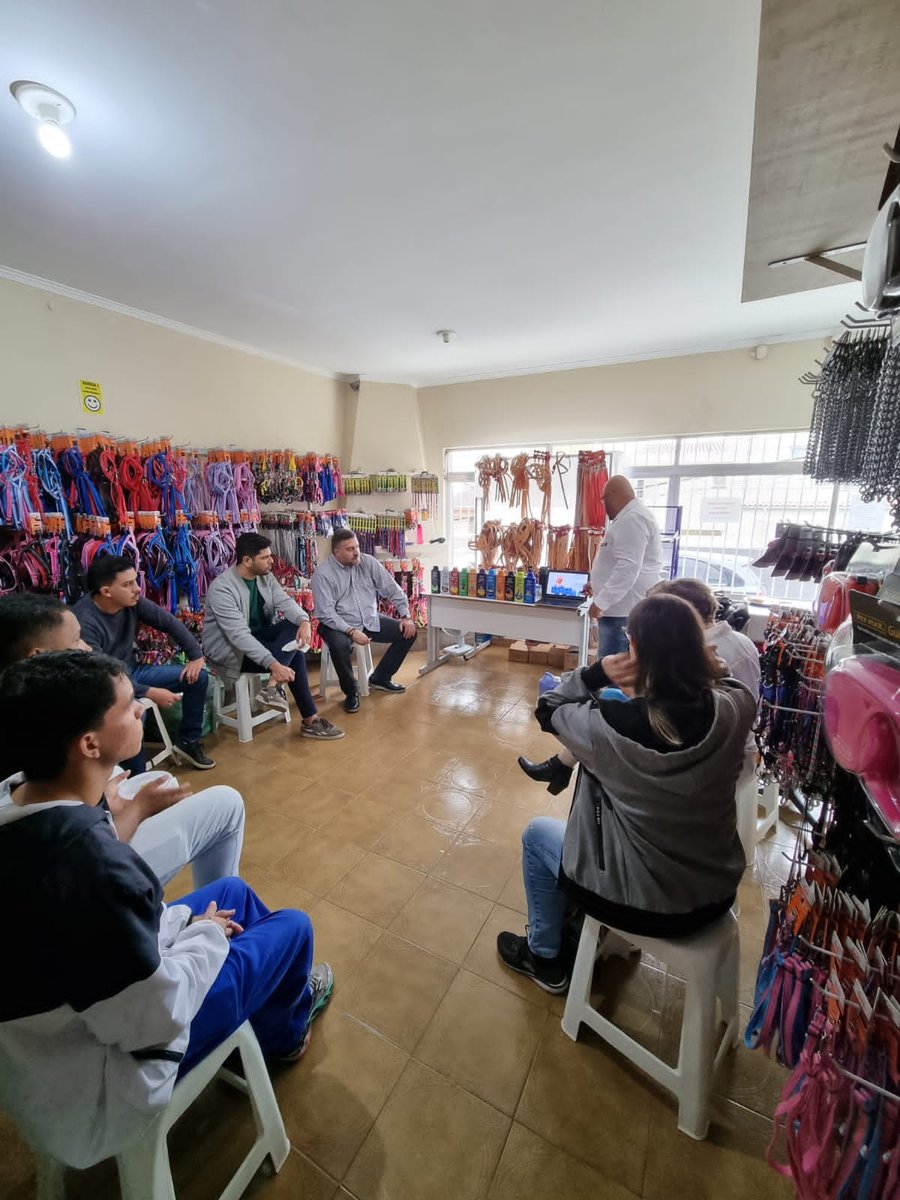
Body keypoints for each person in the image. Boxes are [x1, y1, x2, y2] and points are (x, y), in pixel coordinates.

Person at [0, 651, 333, 1170]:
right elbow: (157, 1017)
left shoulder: (16, 802)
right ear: (89, 744)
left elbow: (110, 948)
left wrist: (186, 924)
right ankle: (285, 1034)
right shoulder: (91, 869)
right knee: (293, 927)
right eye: (127, 706)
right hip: (112, 1079)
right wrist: (204, 937)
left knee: (232, 892)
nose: (140, 709)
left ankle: (270, 1001)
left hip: (59, 1043)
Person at [497, 593, 755, 994]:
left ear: (633, 647)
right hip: (714, 893)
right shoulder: (735, 707)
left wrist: (595, 673)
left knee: (536, 835)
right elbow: (728, 682)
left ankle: (544, 957)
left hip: (639, 903)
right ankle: (573, 928)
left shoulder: (609, 729)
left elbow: (549, 707)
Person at [0, 593, 245, 888]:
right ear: (38, 657)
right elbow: (81, 852)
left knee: (159, 780)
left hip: (81, 828)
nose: (87, 647)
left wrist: (102, 801)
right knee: (226, 803)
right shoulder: (41, 726)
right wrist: (129, 809)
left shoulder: (30, 709)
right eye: (77, 641)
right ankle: (222, 900)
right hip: (87, 868)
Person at [518, 574, 761, 793]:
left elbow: (547, 709)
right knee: (610, 703)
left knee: (605, 715)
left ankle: (563, 768)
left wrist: (598, 672)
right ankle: (561, 766)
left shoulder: (633, 718)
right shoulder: (736, 655)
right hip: (725, 745)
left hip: (720, 763)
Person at [73, 555, 215, 770]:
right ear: (106, 591)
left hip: (134, 671)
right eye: (128, 584)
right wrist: (149, 692)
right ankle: (136, 779)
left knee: (198, 677)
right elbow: (100, 675)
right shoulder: (84, 621)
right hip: (107, 685)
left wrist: (196, 655)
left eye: (135, 581)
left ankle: (188, 741)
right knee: (135, 716)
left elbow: (169, 622)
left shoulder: (132, 602)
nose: (137, 589)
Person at [203, 532, 343, 739]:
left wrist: (304, 621)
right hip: (232, 653)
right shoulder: (222, 589)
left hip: (260, 641)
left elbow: (285, 603)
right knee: (294, 654)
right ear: (247, 560)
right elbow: (239, 636)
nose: (271, 561)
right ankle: (309, 719)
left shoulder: (265, 578)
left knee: (291, 629)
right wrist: (274, 665)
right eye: (265, 557)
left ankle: (273, 687)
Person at [311, 528, 417, 713]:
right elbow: (326, 613)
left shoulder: (368, 562)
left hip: (369, 619)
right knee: (339, 645)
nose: (356, 552)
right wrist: (351, 631)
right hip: (337, 625)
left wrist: (406, 616)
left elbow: (392, 589)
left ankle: (380, 678)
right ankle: (351, 692)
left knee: (408, 632)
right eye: (350, 549)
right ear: (337, 552)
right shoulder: (323, 574)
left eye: (357, 547)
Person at [588, 474, 665, 657]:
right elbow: (622, 562)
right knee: (613, 668)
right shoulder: (629, 518)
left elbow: (628, 567)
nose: (604, 506)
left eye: (604, 499)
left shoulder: (632, 519)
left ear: (614, 493)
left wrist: (601, 601)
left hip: (622, 612)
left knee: (613, 670)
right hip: (620, 609)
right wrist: (597, 585)